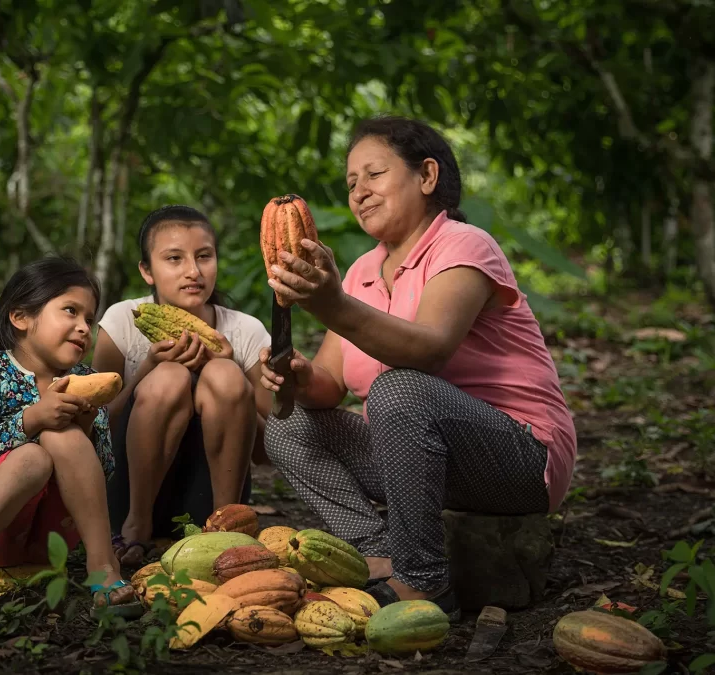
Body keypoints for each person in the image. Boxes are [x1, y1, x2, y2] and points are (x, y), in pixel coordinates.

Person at [258, 115, 577, 619]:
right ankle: (377, 554)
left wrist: (330, 306)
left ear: (426, 177)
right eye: (351, 182)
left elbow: (430, 350)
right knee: (290, 426)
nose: (359, 191)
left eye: (375, 174)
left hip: (517, 457)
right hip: (420, 460)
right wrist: (297, 375)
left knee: (399, 389)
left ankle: (423, 585)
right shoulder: (362, 271)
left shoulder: (464, 245)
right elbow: (329, 387)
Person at [0, 256, 142, 626]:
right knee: (33, 457)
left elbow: (105, 471)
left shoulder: (86, 380)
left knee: (63, 435)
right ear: (20, 317)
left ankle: (102, 568)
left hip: (54, 540)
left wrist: (85, 427)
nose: (84, 327)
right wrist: (31, 419)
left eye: (89, 319)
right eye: (70, 311)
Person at [93, 205, 272, 567]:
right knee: (170, 377)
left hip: (209, 498)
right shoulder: (122, 321)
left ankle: (225, 532)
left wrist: (227, 371)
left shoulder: (246, 330)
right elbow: (96, 430)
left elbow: (268, 452)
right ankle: (137, 527)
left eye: (204, 256)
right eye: (174, 259)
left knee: (224, 375)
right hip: (129, 497)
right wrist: (147, 368)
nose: (193, 271)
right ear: (147, 271)